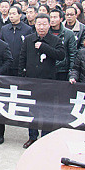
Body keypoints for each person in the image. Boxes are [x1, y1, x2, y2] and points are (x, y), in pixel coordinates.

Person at [18, 14, 65, 148]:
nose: (41, 27)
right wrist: (21, 76)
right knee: (31, 110)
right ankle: (32, 136)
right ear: (35, 25)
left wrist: (44, 47)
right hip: (31, 80)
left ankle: (45, 137)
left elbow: (61, 55)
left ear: (49, 25)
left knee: (46, 110)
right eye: (39, 24)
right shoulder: (29, 39)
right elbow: (22, 58)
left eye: (44, 24)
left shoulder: (55, 40)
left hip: (48, 81)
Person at [0, 6, 32, 76]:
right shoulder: (4, 29)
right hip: (6, 65)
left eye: (14, 14)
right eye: (10, 14)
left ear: (20, 15)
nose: (11, 16)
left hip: (20, 65)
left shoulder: (27, 29)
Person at [49, 9, 77, 81]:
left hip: (62, 69)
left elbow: (72, 53)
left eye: (55, 17)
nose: (52, 20)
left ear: (61, 19)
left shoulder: (69, 33)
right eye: (51, 17)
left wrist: (71, 71)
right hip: (48, 68)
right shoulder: (46, 32)